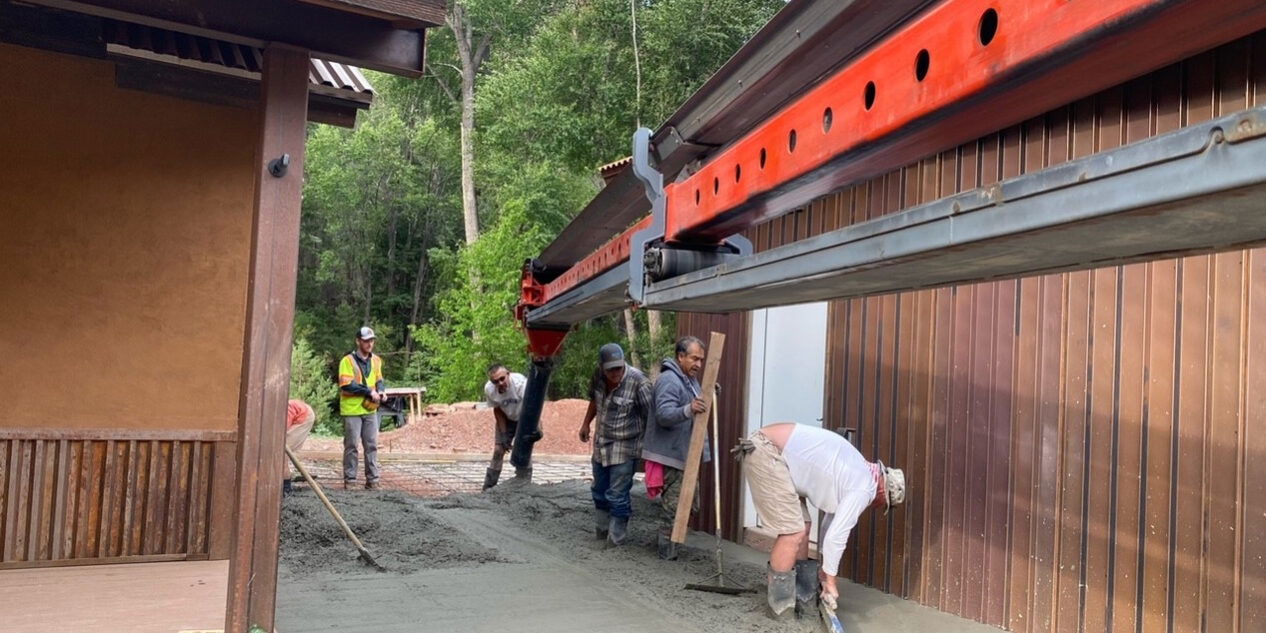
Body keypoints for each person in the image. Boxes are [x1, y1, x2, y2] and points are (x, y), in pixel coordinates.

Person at [734, 422, 906, 620]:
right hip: (766, 450)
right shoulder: (864, 488)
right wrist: (831, 581)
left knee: (804, 527)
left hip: (777, 454)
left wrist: (825, 572)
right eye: (882, 503)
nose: (876, 507)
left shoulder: (859, 472)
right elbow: (836, 537)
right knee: (793, 532)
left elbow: (830, 526)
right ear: (884, 491)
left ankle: (802, 594)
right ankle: (780, 608)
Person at [641, 335, 709, 560]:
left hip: (682, 452)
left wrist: (708, 394)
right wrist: (688, 409)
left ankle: (671, 548)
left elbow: (693, 402)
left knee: (683, 504)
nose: (698, 364)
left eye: (701, 359)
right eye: (694, 358)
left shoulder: (688, 379)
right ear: (680, 357)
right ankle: (666, 552)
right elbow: (663, 414)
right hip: (671, 454)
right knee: (673, 507)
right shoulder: (670, 380)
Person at [578, 343, 653, 546]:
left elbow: (651, 418)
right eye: (610, 369)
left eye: (619, 368)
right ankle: (601, 531)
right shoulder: (598, 377)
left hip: (626, 447)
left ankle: (616, 538)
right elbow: (595, 399)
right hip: (601, 445)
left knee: (617, 494)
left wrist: (649, 452)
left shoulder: (639, 382)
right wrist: (586, 423)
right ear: (602, 367)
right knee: (599, 490)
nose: (615, 373)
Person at [338, 326, 385, 490]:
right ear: (358, 341)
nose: (369, 344)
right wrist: (369, 391)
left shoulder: (376, 361)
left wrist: (381, 391)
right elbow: (346, 385)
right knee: (352, 446)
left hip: (370, 409)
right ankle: (350, 480)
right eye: (366, 341)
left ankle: (373, 480)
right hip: (352, 410)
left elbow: (379, 379)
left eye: (371, 340)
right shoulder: (347, 361)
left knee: (371, 445)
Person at [483, 363, 528, 491]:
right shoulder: (489, 389)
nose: (500, 383)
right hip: (507, 418)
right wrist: (503, 435)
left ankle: (524, 484)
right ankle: (488, 487)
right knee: (498, 450)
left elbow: (531, 407)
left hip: (526, 417)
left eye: (502, 378)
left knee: (525, 450)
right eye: (496, 381)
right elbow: (497, 410)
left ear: (508, 374)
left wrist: (525, 430)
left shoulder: (520, 384)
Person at [283, 398, 315, 495]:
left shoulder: (283, 412)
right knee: (281, 451)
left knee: (281, 454)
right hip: (299, 412)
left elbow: (280, 432)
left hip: (304, 416)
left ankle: (286, 489)